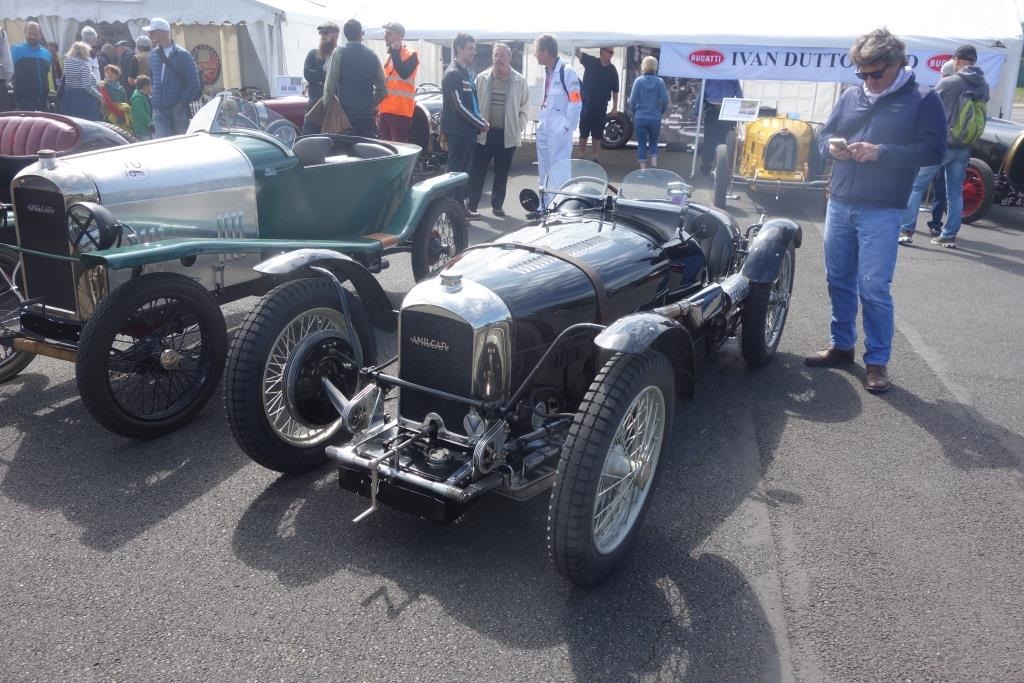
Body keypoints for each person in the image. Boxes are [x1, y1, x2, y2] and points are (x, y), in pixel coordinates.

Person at [806, 28, 945, 393]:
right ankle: (841, 345)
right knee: (837, 279)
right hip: (840, 201)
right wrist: (830, 147)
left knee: (873, 287)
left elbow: (933, 151)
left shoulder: (923, 98)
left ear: (899, 63)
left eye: (875, 73)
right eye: (862, 73)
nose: (868, 80)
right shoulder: (852, 95)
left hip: (882, 208)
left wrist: (881, 152)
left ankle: (877, 361)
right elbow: (824, 135)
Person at [898, 44, 989, 249]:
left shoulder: (949, 82)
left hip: (942, 143)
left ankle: (906, 230)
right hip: (965, 144)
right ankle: (948, 236)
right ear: (974, 62)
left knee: (917, 186)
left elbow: (927, 107)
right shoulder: (984, 85)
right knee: (955, 190)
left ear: (956, 61)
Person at [466, 43, 530, 218]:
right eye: (496, 55)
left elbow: (524, 108)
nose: (499, 59)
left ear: (509, 58)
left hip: (506, 134)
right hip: (484, 132)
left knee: (502, 173)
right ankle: (471, 206)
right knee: (477, 171)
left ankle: (497, 205)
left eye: (502, 56)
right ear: (492, 57)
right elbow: (473, 105)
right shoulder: (481, 78)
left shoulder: (519, 81)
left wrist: (518, 126)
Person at [441, 32, 489, 215]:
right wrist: (480, 123)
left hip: (468, 132)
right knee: (454, 173)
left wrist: (480, 119)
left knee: (463, 173)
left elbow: (472, 103)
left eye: (474, 49)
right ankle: (447, 210)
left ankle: (459, 208)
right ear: (459, 50)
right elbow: (458, 107)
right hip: (458, 132)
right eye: (470, 49)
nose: (473, 53)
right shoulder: (452, 73)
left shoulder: (466, 73)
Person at [322, 19, 387, 138]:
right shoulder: (373, 55)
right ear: (361, 34)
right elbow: (383, 89)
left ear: (345, 35)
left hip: (345, 113)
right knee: (367, 151)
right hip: (366, 114)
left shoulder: (339, 53)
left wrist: (326, 106)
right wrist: (371, 103)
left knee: (345, 151)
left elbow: (329, 85)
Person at [534, 34, 581, 187]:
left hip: (559, 130)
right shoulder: (548, 72)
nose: (535, 55)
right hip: (545, 129)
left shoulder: (567, 71)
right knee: (544, 169)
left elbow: (576, 102)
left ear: (545, 52)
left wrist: (566, 127)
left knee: (559, 172)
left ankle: (559, 206)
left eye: (537, 51)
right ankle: (544, 206)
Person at [145, 17, 201, 138]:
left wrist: (181, 104)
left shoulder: (183, 55)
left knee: (182, 145)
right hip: (159, 110)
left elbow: (194, 83)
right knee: (164, 147)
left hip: (178, 110)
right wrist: (155, 100)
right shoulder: (153, 54)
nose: (150, 35)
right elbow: (154, 80)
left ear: (163, 32)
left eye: (152, 32)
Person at [574, 46, 619, 164]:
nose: (611, 54)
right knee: (583, 130)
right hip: (587, 104)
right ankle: (581, 154)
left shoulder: (612, 70)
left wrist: (615, 106)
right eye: (610, 52)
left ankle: (595, 156)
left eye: (612, 53)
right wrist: (578, 43)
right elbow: (578, 53)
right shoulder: (591, 61)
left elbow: (615, 90)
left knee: (597, 132)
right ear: (602, 52)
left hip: (601, 105)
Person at [378, 21, 419, 143]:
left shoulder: (411, 54)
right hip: (385, 110)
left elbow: (404, 73)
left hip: (400, 111)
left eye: (389, 33)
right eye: (384, 33)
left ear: (400, 36)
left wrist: (395, 52)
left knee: (399, 149)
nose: (385, 36)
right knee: (386, 151)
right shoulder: (388, 57)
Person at [627, 55, 668, 170]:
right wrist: (661, 111)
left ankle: (643, 170)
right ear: (655, 67)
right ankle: (654, 165)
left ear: (643, 66)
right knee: (654, 142)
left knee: (641, 144)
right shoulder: (660, 81)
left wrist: (635, 112)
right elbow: (665, 99)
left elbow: (632, 100)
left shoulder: (638, 81)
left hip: (640, 117)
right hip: (655, 116)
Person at [302, 21, 338, 134]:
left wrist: (321, 78)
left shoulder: (340, 55)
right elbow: (308, 74)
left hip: (333, 106)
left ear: (336, 35)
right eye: (322, 33)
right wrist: (327, 76)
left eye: (326, 33)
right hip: (314, 104)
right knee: (308, 137)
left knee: (332, 141)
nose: (323, 36)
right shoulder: (313, 54)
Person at [700, 79, 742, 175]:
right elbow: (739, 96)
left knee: (709, 141)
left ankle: (706, 166)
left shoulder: (709, 77)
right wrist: (741, 112)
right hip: (727, 110)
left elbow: (701, 94)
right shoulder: (733, 78)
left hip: (712, 110)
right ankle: (723, 167)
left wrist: (697, 111)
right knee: (725, 141)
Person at [11, 21, 51, 111]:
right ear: (25, 32)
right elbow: (9, 72)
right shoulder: (16, 50)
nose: (32, 36)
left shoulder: (47, 54)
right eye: (29, 33)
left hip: (43, 100)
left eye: (35, 34)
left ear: (40, 34)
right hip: (23, 100)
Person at [58, 41, 101, 121]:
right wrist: (99, 96)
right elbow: (86, 86)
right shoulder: (84, 64)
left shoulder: (67, 61)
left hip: (69, 97)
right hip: (84, 101)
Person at [99, 64, 131, 132]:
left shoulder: (121, 88)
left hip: (121, 115)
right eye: (107, 72)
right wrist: (118, 113)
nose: (109, 75)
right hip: (108, 115)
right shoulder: (103, 86)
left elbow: (125, 102)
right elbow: (106, 102)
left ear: (117, 76)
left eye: (112, 73)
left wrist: (123, 113)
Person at [131, 74, 154, 139]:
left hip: (145, 129)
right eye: (150, 85)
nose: (151, 87)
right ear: (146, 86)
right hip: (142, 130)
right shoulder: (138, 99)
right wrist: (150, 124)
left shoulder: (143, 96)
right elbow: (141, 115)